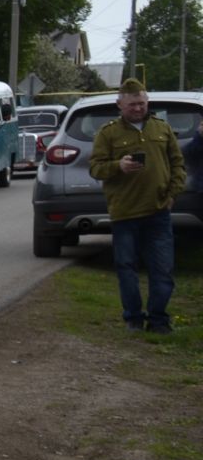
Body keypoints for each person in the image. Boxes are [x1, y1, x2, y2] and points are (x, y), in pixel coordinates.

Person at [90, 78, 183, 334]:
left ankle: (158, 320)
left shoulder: (161, 129)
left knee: (162, 269)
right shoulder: (108, 133)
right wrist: (118, 166)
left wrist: (173, 192)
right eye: (132, 105)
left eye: (142, 103)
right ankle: (133, 317)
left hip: (159, 211)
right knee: (126, 267)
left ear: (147, 102)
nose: (138, 109)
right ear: (120, 104)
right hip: (124, 213)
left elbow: (177, 164)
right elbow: (95, 168)